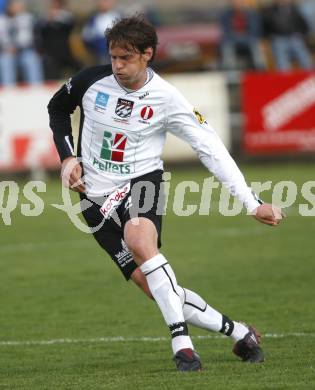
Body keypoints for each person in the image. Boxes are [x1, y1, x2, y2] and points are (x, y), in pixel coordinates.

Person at [48, 16, 284, 372]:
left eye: (125, 58)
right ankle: (239, 333)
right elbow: (57, 109)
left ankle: (183, 346)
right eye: (113, 57)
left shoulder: (168, 99)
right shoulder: (90, 80)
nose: (117, 66)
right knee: (155, 288)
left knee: (141, 240)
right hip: (93, 200)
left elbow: (211, 149)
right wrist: (68, 157)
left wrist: (251, 203)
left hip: (141, 182)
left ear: (147, 54)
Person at [0, 0, 43, 86]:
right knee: (5, 62)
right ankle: (8, 91)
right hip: (6, 51)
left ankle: (36, 89)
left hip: (25, 50)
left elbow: (36, 37)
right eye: (13, 5)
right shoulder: (1, 20)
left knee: (32, 60)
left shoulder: (28, 18)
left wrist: (38, 50)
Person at [262, 0, 313, 71]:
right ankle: (286, 80)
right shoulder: (268, 10)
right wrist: (268, 36)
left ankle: (311, 77)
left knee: (305, 60)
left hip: (294, 37)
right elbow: (265, 25)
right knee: (282, 63)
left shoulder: (294, 8)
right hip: (278, 39)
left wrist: (303, 34)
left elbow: (302, 22)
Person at [37, 0, 80, 80]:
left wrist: (58, 18)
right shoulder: (44, 18)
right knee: (50, 74)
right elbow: (40, 31)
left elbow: (71, 25)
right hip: (50, 53)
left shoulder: (66, 16)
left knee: (78, 68)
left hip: (65, 51)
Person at [220, 0, 266, 70]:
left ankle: (260, 72)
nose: (237, 4)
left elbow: (255, 30)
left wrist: (248, 37)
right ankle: (232, 76)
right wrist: (235, 36)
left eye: (239, 2)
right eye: (235, 2)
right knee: (226, 46)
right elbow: (225, 31)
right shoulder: (225, 15)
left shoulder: (252, 13)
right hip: (232, 39)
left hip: (248, 38)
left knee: (256, 45)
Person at [82, 0, 120, 65]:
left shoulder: (118, 16)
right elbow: (87, 36)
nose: (104, 3)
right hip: (100, 52)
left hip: (117, 50)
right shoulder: (93, 19)